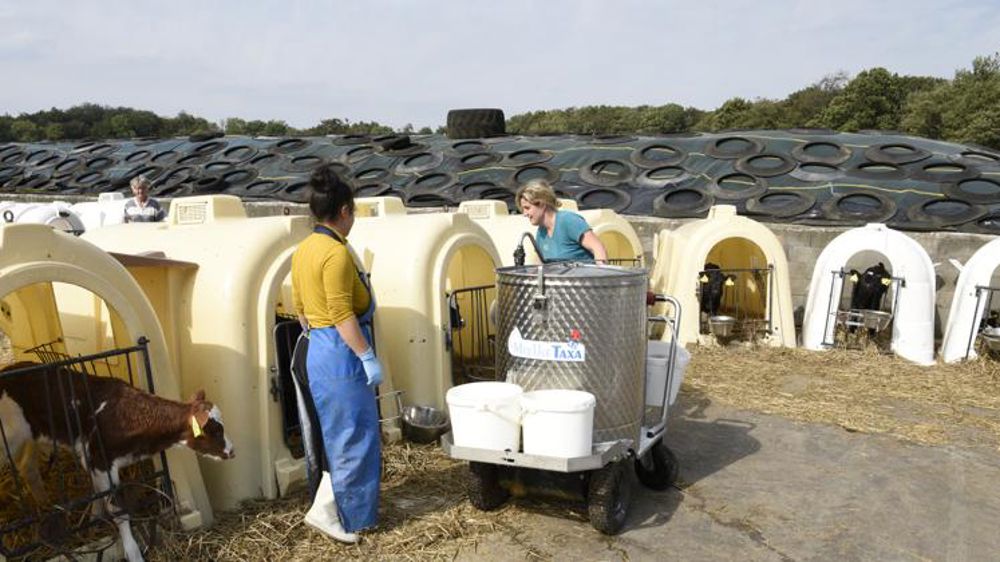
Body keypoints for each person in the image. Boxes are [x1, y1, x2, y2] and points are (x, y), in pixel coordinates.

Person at [291, 165, 383, 543]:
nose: (354, 219)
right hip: (341, 351)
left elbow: (299, 309)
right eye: (354, 212)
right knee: (355, 436)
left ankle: (344, 510)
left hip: (317, 346)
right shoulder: (335, 253)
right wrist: (365, 355)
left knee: (336, 434)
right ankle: (345, 517)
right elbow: (342, 312)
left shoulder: (303, 250)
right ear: (344, 210)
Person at [516, 179, 608, 263]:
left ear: (542, 204)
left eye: (527, 208)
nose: (525, 214)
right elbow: (540, 264)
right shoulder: (541, 232)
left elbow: (598, 248)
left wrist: (602, 276)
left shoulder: (568, 220)